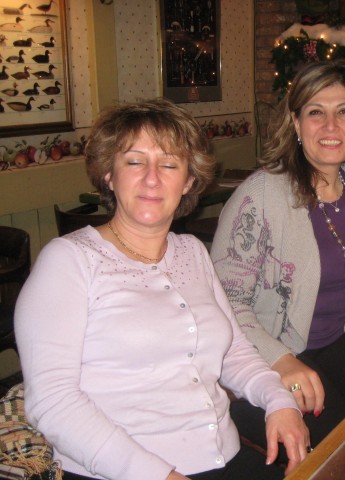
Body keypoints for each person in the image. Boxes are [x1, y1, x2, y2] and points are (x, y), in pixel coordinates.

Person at [14, 99, 309, 480]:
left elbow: (233, 352)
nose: (152, 178)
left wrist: (279, 401)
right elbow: (53, 403)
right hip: (118, 472)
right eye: (135, 161)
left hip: (223, 459)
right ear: (109, 175)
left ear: (188, 181)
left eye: (169, 164)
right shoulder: (69, 261)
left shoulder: (192, 251)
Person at [210, 60, 345, 450]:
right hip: (271, 356)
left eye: (344, 112)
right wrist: (280, 360)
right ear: (296, 124)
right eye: (315, 113)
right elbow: (224, 304)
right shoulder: (259, 196)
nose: (330, 126)